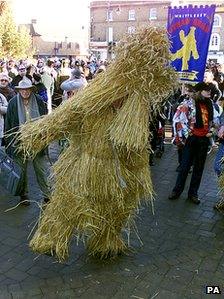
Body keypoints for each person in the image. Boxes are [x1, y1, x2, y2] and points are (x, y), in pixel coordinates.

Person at [4, 79, 50, 206]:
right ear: (19, 90)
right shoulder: (13, 103)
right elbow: (9, 124)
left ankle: (47, 195)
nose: (25, 92)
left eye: (27, 89)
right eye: (22, 89)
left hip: (37, 140)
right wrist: (9, 143)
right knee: (21, 170)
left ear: (31, 89)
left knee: (40, 169)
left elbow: (45, 119)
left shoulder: (39, 100)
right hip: (19, 141)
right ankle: (23, 194)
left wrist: (45, 136)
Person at [168, 82, 214, 204]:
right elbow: (179, 120)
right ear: (199, 91)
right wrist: (187, 133)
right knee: (184, 167)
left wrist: (212, 131)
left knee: (199, 168)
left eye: (209, 90)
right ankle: (177, 190)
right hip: (191, 139)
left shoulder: (210, 104)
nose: (209, 91)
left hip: (203, 140)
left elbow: (214, 121)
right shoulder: (189, 103)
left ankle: (193, 193)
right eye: (206, 90)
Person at [172, 84, 195, 171]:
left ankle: (189, 165)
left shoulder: (198, 102)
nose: (187, 92)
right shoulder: (182, 98)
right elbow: (175, 107)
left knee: (190, 146)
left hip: (191, 126)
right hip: (181, 126)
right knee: (180, 146)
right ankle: (181, 164)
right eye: (187, 90)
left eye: (189, 91)